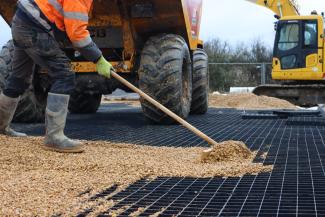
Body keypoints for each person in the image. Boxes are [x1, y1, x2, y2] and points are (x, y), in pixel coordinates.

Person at [0, 0, 113, 153]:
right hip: (34, 28)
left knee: (18, 78)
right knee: (64, 75)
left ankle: (1, 128)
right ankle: (54, 137)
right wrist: (99, 59)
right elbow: (77, 35)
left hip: (21, 21)